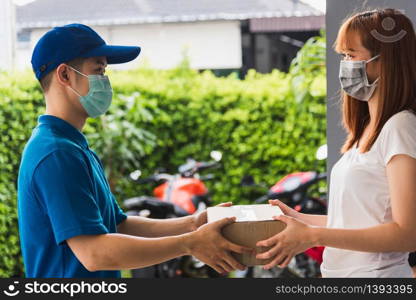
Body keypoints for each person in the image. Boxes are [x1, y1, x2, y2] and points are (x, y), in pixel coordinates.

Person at [17, 23, 251, 278]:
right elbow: (94, 254)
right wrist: (189, 244)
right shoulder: (57, 154)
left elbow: (118, 225)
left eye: (105, 72)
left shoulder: (73, 146)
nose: (104, 82)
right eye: (98, 70)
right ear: (64, 75)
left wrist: (191, 224)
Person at [255, 8, 416, 277]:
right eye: (343, 56)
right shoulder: (367, 131)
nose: (345, 64)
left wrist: (313, 236)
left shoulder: (401, 127)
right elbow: (357, 222)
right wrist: (298, 221)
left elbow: (407, 233)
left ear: (384, 61)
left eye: (351, 55)